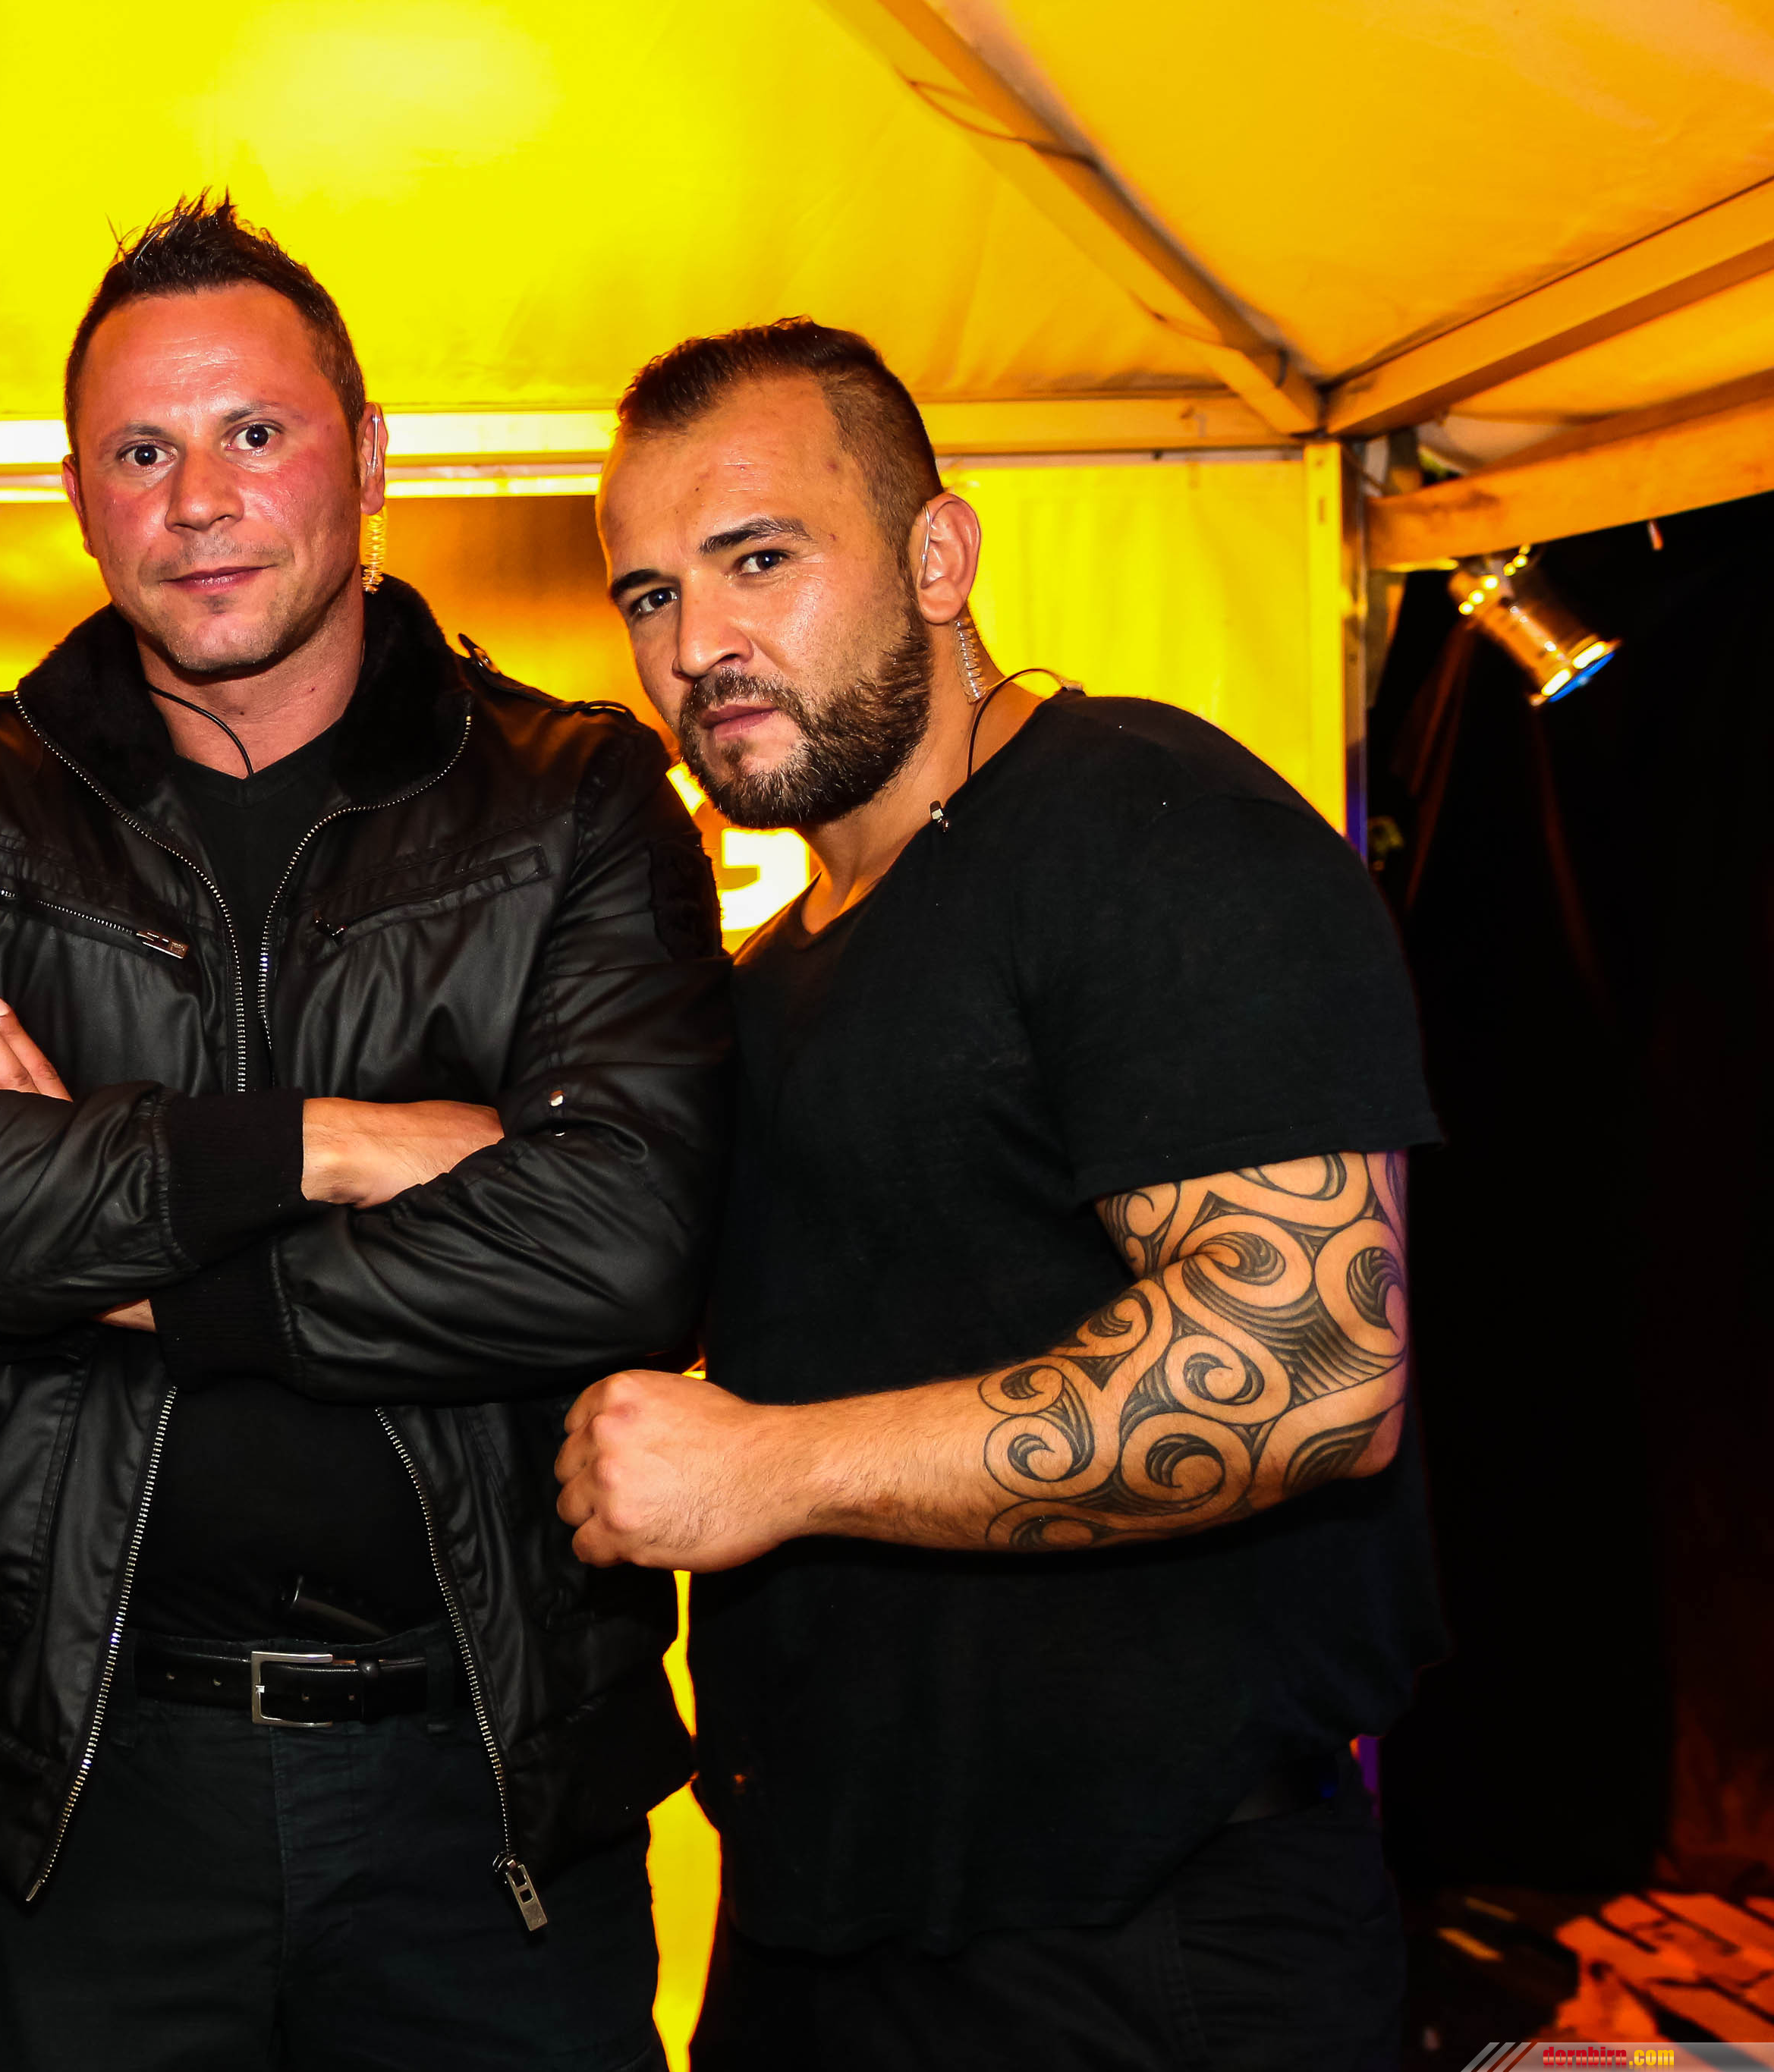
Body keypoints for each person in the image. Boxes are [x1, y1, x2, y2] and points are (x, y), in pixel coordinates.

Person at [0, 196, 731, 2070]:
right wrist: (333, 1146)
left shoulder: (572, 796)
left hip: (485, 1793)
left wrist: (106, 1247)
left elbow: (620, 1241)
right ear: (77, 494)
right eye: (140, 452)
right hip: (84, 1797)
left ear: (367, 457)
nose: (196, 499)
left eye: (252, 433)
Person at [555, 318, 1443, 2069]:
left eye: (756, 559)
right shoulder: (769, 983)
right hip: (825, 1925)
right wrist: (180, 1147)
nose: (696, 643)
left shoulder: (1142, 824)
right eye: (649, 594)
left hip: (1136, 1943)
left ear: (937, 558)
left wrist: (768, 1468)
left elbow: (1306, 1363)